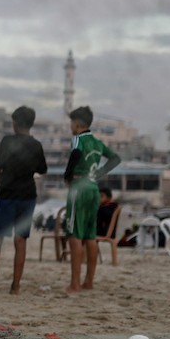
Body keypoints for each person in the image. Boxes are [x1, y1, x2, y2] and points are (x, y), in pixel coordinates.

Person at [0, 105, 47, 294]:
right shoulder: (36, 145)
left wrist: (2, 172)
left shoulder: (8, 141)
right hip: (28, 195)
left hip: (8, 193)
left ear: (15, 123)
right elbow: (42, 169)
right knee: (20, 240)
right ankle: (15, 286)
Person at [63, 106, 121, 292]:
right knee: (89, 235)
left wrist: (67, 175)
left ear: (78, 123)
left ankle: (75, 283)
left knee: (74, 235)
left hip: (79, 186)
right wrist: (100, 173)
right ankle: (89, 281)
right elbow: (115, 159)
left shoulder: (78, 139)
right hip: (93, 188)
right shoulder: (97, 142)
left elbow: (76, 154)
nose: (70, 126)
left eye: (71, 123)